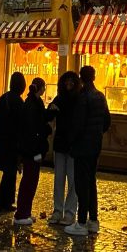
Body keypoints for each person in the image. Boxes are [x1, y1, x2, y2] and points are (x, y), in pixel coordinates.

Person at [64, 65, 111, 237]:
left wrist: (72, 141)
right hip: (95, 146)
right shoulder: (100, 96)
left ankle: (81, 222)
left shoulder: (83, 97)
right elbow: (107, 121)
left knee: (82, 184)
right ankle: (93, 220)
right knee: (91, 182)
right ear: (94, 77)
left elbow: (77, 124)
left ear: (81, 78)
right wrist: (97, 133)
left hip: (82, 147)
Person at [14, 77, 52, 225]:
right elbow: (34, 128)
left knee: (30, 180)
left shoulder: (32, 102)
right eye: (44, 87)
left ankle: (25, 211)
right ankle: (22, 213)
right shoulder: (33, 104)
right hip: (32, 150)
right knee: (29, 180)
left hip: (31, 149)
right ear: (41, 88)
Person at [47, 70, 80, 225]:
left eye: (71, 82)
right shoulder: (59, 98)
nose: (69, 84)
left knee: (72, 180)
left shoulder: (79, 99)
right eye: (67, 81)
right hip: (61, 144)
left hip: (72, 145)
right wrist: (51, 109)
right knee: (59, 179)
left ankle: (69, 212)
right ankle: (58, 210)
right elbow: (49, 115)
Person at [0, 72, 26, 213]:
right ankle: (4, 201)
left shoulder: (3, 98)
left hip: (2, 140)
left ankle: (4, 200)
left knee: (8, 172)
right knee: (10, 172)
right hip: (12, 142)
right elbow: (20, 125)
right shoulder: (18, 102)